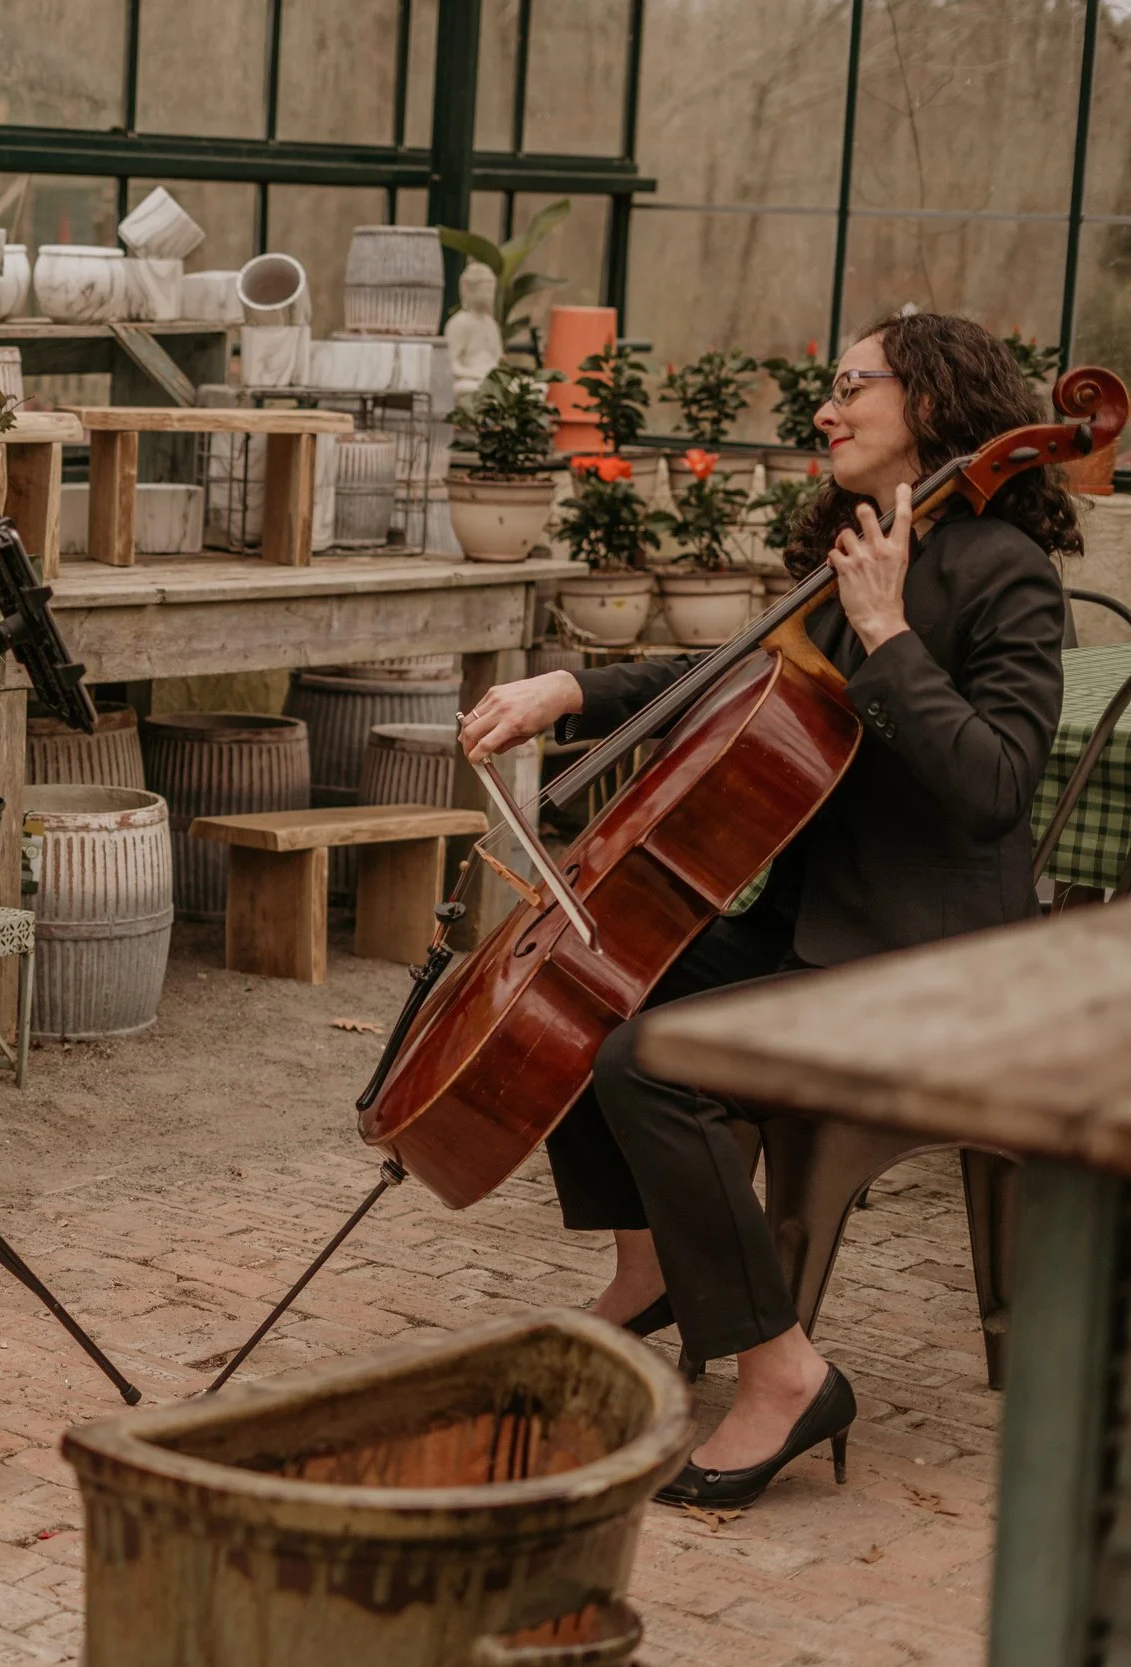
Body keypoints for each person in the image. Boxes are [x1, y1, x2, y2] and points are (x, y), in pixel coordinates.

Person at [458, 312, 1070, 1509]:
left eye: (853, 386)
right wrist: (567, 686)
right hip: (821, 935)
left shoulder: (1006, 573)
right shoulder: (856, 544)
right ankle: (647, 1273)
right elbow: (721, 678)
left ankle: (784, 1371)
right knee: (586, 978)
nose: (826, 409)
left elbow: (996, 788)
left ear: (935, 402)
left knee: (654, 1061)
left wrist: (889, 633)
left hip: (933, 971)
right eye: (829, 387)